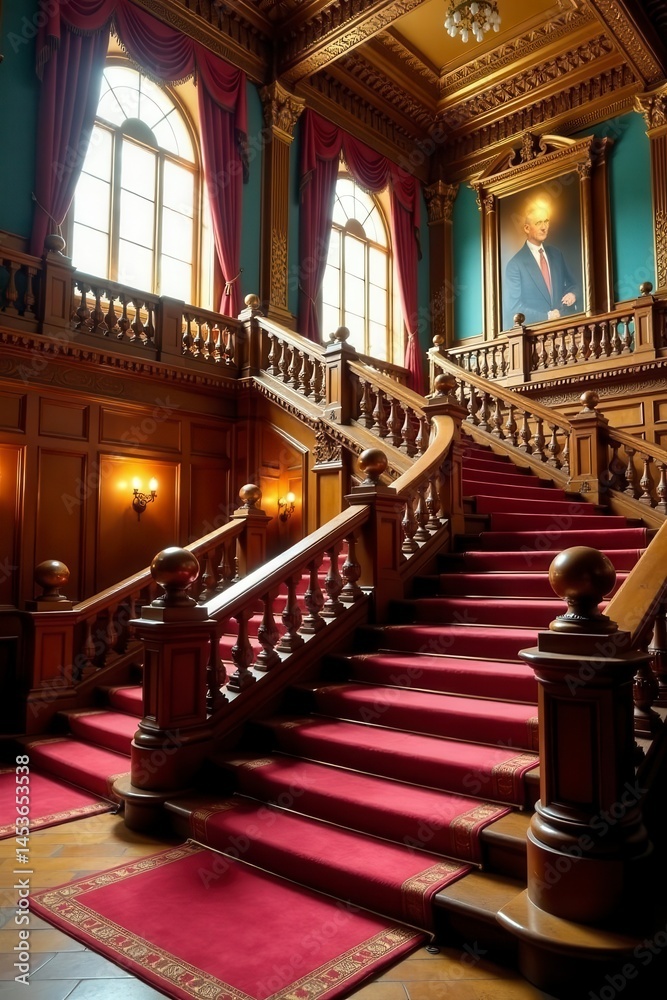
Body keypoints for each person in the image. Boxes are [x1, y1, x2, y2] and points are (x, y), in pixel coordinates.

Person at [503, 196, 577, 329]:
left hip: (566, 328)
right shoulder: (515, 265)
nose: (544, 227)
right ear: (527, 228)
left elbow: (575, 284)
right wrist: (547, 317)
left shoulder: (556, 254)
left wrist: (573, 294)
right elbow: (514, 309)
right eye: (538, 223)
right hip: (536, 335)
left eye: (546, 221)